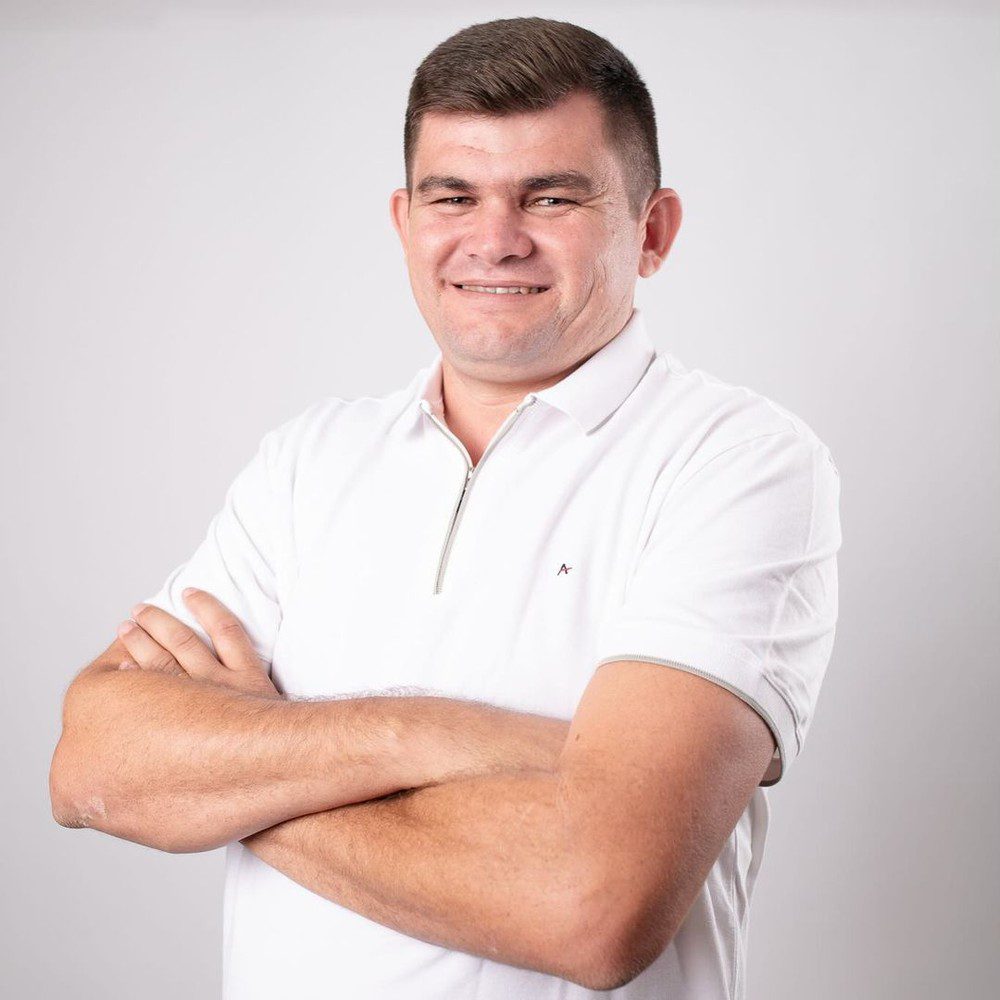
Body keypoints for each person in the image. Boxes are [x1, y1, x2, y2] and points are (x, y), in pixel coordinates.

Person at [49, 16, 841, 1000]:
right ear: (404, 221)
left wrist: (233, 781)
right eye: (453, 196)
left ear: (653, 230)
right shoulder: (309, 460)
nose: (494, 240)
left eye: (551, 196)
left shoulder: (734, 462)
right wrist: (426, 736)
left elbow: (592, 906)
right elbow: (92, 765)